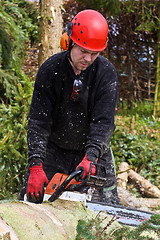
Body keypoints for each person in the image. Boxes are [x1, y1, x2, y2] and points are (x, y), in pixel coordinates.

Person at [19, 9, 120, 204]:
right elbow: (39, 122)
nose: (88, 59)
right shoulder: (50, 70)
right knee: (31, 201)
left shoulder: (106, 73)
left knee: (106, 211)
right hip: (54, 149)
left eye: (94, 53)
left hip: (93, 150)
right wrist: (36, 165)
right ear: (69, 42)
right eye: (83, 51)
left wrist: (91, 156)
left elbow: (103, 122)